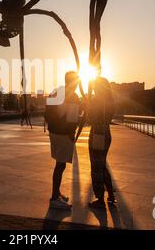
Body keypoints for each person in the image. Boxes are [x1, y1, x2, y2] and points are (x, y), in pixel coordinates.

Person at [45, 71, 81, 209]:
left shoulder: (57, 91)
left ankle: (57, 193)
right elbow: (72, 119)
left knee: (59, 165)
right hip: (63, 133)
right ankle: (54, 197)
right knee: (60, 165)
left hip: (54, 132)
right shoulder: (73, 96)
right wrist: (72, 134)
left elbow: (48, 112)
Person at [87, 77, 116, 209]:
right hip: (106, 132)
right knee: (102, 165)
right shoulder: (110, 100)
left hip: (97, 134)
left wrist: (89, 99)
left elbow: (90, 118)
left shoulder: (97, 100)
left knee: (96, 167)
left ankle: (100, 199)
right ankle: (110, 194)